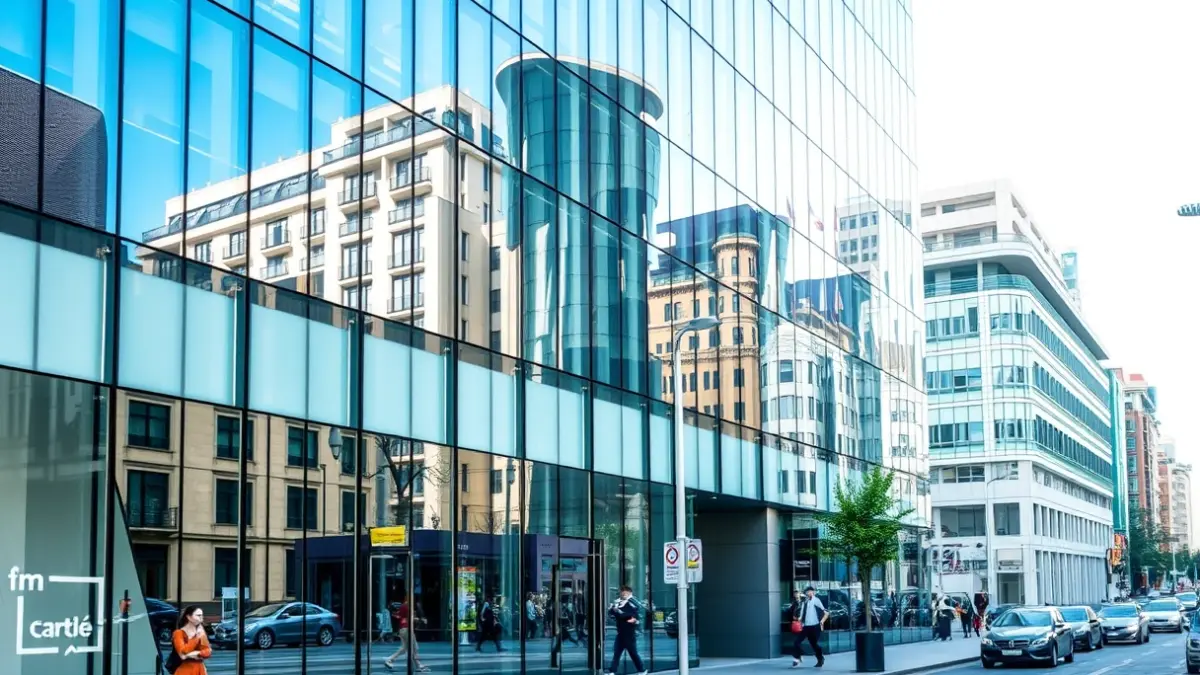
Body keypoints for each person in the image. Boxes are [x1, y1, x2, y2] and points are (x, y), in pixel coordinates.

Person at [607, 585, 646, 675]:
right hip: (621, 632)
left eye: (626, 592)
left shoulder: (633, 602)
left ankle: (642, 670)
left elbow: (634, 614)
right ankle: (612, 671)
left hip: (629, 633)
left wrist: (619, 613)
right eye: (622, 592)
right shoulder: (618, 602)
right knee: (617, 653)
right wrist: (615, 611)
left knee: (633, 653)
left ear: (630, 593)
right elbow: (611, 613)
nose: (623, 593)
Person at [384, 596, 429, 672]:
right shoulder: (407, 607)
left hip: (403, 629)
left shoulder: (403, 607)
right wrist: (421, 620)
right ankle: (418, 665)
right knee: (413, 647)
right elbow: (410, 618)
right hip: (407, 629)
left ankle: (390, 660)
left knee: (405, 648)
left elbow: (401, 617)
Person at [171, 606, 212, 675]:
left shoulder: (200, 631)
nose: (201, 617)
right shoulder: (179, 633)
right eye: (198, 615)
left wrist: (197, 653)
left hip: (200, 669)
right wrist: (196, 638)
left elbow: (208, 651)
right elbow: (183, 654)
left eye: (202, 615)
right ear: (189, 617)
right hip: (186, 670)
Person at [796, 586, 828, 668]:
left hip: (815, 626)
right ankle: (799, 657)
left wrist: (822, 622)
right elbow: (802, 614)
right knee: (796, 642)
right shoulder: (804, 602)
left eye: (810, 591)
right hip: (806, 626)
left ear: (813, 592)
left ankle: (820, 659)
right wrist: (799, 620)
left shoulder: (816, 600)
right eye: (807, 592)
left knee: (814, 644)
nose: (809, 593)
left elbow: (825, 612)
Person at [786, 589, 806, 668]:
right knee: (796, 642)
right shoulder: (793, 603)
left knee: (797, 642)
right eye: (795, 593)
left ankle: (796, 659)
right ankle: (799, 656)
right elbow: (789, 612)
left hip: (802, 625)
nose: (796, 594)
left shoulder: (803, 603)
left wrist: (800, 618)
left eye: (797, 593)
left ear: (800, 594)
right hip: (795, 624)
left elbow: (804, 612)